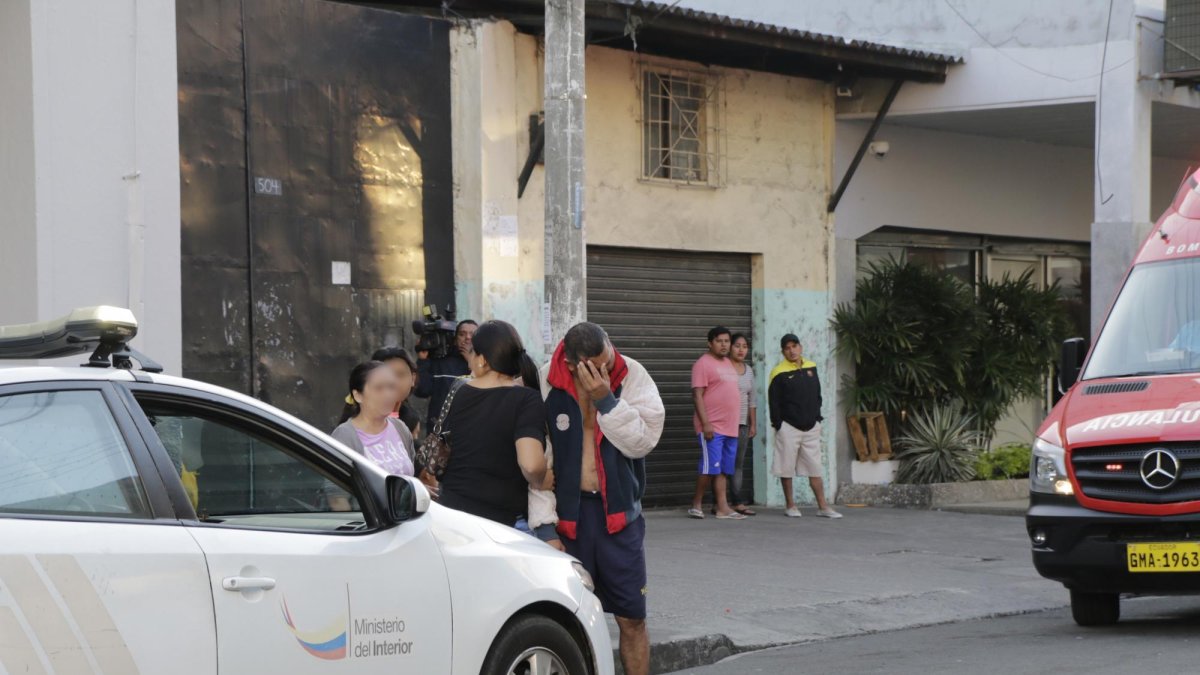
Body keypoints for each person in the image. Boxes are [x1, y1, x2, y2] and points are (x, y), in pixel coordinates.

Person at [530, 322, 664, 675]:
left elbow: (643, 441)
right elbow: (539, 458)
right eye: (597, 365)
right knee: (569, 618)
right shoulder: (548, 380)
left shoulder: (631, 373)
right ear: (574, 365)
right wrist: (544, 525)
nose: (608, 367)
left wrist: (607, 399)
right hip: (569, 519)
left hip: (620, 519)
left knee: (632, 619)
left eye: (609, 358)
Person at [436, 320, 548, 527]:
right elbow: (531, 464)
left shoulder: (458, 390)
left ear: (482, 360)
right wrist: (541, 480)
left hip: (452, 513)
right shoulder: (526, 399)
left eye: (471, 353)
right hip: (500, 521)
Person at [769, 334, 841, 519]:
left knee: (815, 467)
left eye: (794, 346)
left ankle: (823, 507)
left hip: (811, 427)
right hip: (789, 427)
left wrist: (817, 419)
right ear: (783, 351)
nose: (792, 350)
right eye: (787, 348)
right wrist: (779, 425)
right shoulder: (778, 372)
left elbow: (817, 394)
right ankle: (790, 506)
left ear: (800, 347)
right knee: (786, 467)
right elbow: (774, 402)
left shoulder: (811, 367)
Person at [328, 361, 415, 511]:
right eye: (379, 388)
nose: (388, 394)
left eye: (391, 387)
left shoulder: (400, 428)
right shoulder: (345, 436)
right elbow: (336, 498)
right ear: (358, 395)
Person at [689, 326, 745, 520]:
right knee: (709, 466)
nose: (724, 345)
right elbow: (697, 395)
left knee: (723, 469)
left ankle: (722, 507)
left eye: (727, 341)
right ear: (710, 343)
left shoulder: (728, 363)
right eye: (720, 341)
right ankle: (696, 504)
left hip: (730, 426)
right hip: (712, 425)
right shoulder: (703, 364)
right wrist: (705, 424)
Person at [414, 319, 477, 434]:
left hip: (471, 430)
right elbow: (422, 391)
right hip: (439, 433)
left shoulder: (486, 364)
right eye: (462, 334)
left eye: (472, 334)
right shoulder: (440, 362)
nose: (467, 337)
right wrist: (422, 361)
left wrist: (471, 362)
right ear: (455, 339)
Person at [727, 333, 757, 516]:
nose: (741, 350)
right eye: (737, 345)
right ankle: (719, 502)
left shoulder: (749, 371)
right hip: (723, 424)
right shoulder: (722, 368)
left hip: (742, 425)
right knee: (723, 464)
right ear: (730, 347)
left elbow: (752, 399)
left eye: (744, 346)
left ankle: (737, 502)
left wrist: (753, 424)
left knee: (738, 464)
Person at [370, 346, 421, 436]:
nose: (395, 382)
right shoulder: (361, 421)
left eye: (401, 375)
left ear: (413, 378)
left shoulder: (411, 420)